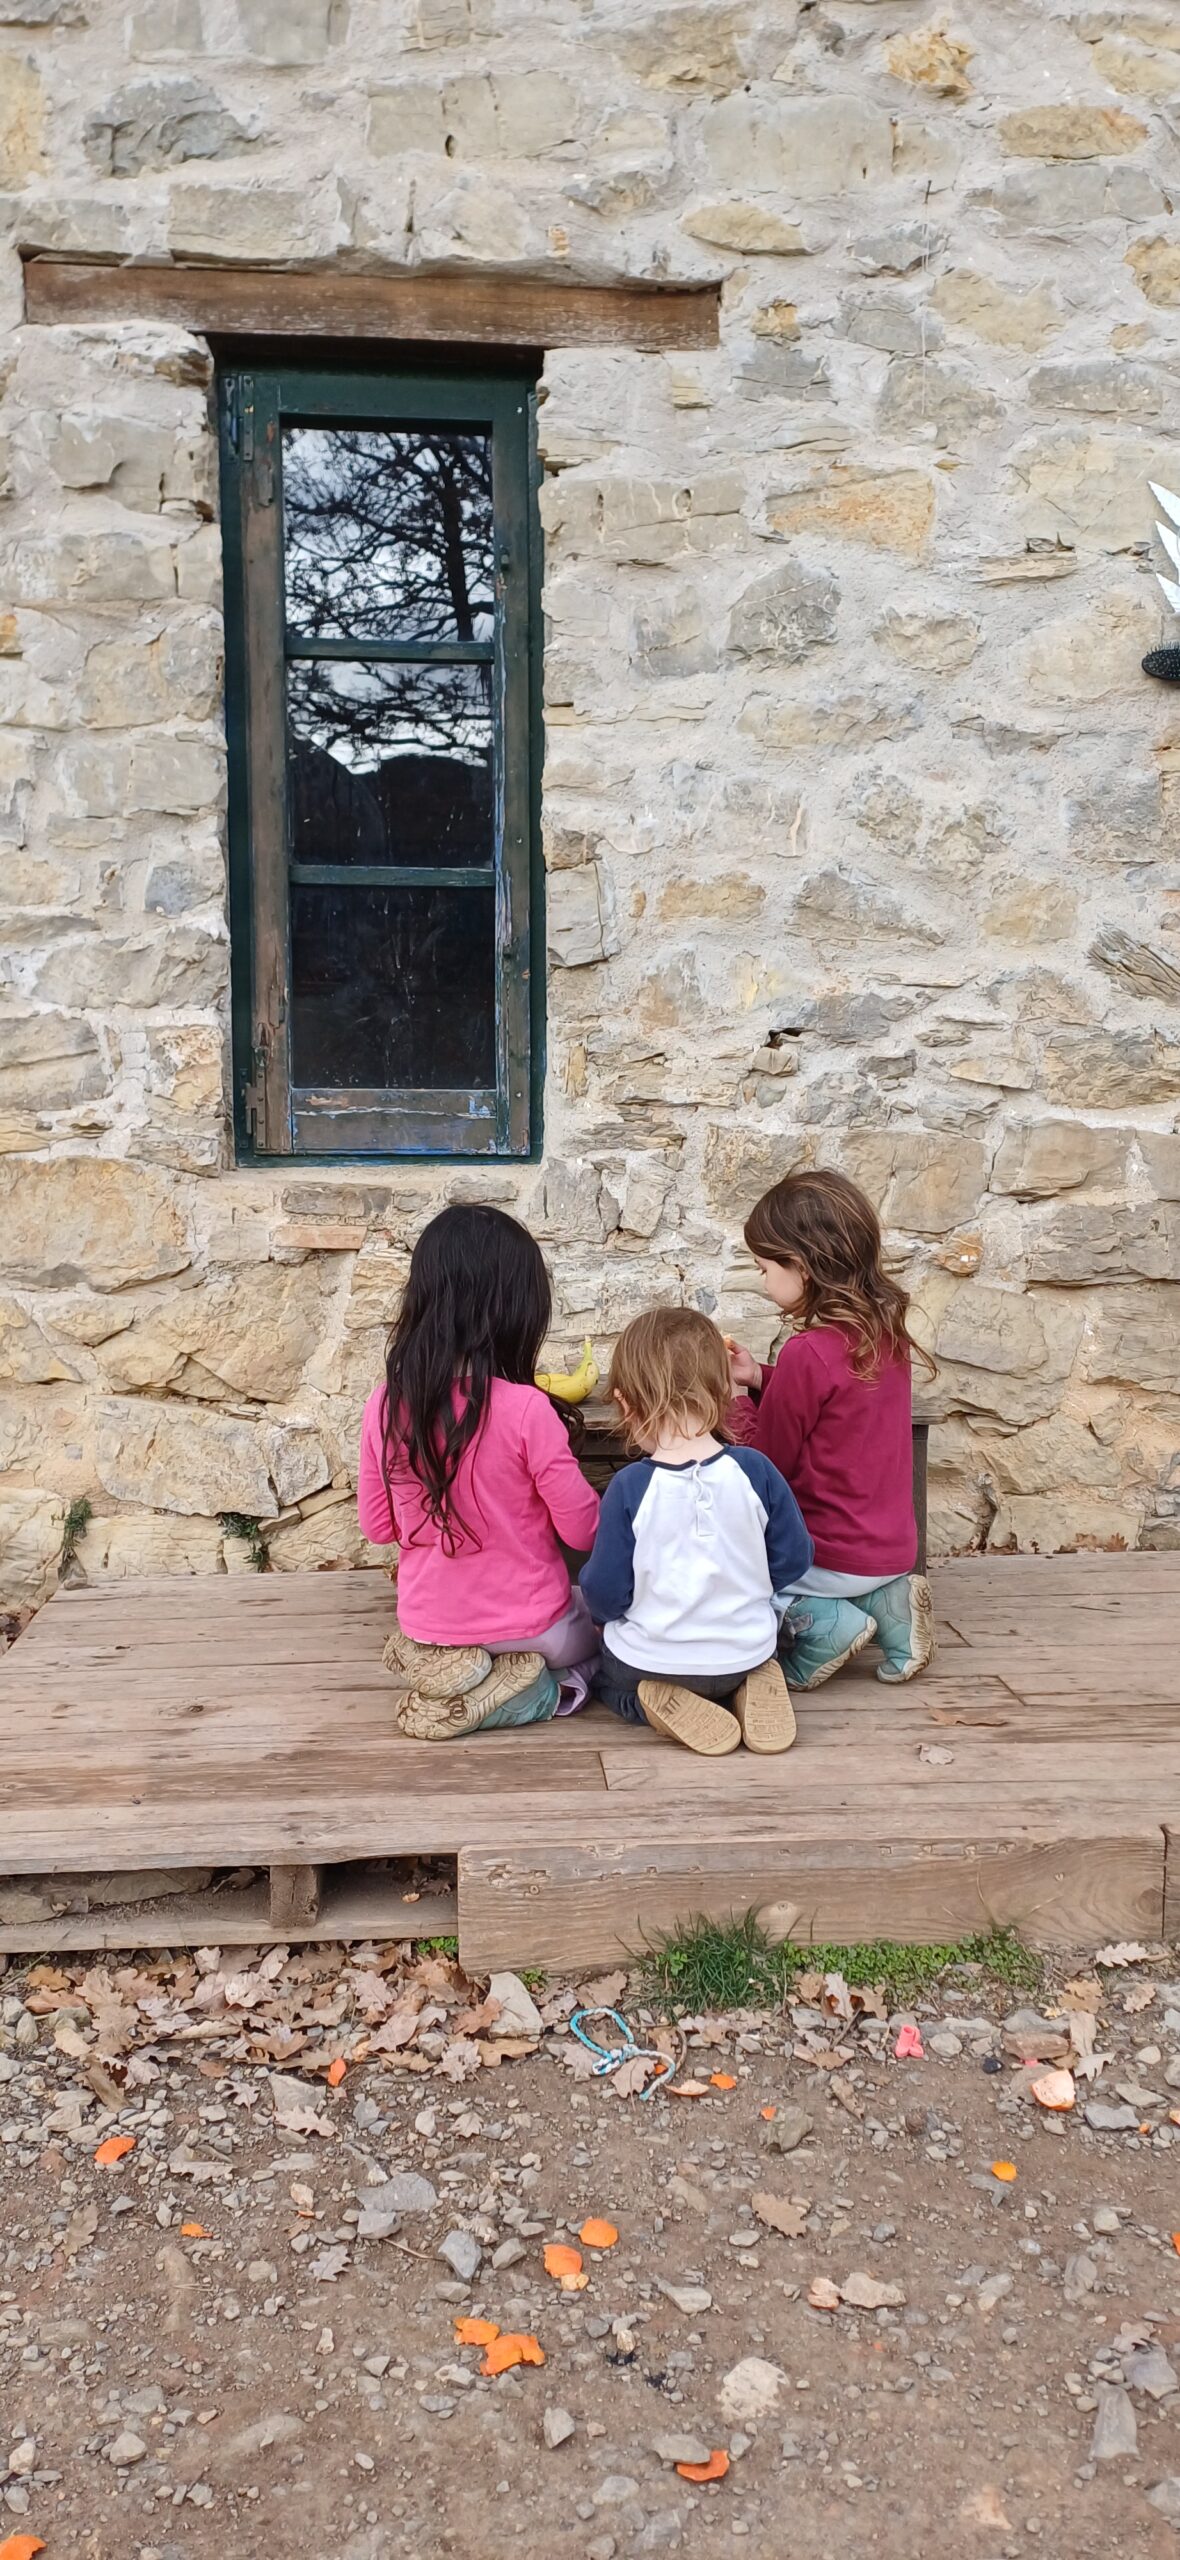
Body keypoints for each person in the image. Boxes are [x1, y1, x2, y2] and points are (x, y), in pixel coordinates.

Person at [357, 1204, 601, 1739]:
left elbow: (377, 1527)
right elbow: (583, 1531)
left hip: (430, 1622)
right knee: (602, 1636)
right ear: (516, 1308)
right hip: (532, 1626)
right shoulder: (527, 1409)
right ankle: (541, 1692)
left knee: (457, 1631)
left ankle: (442, 1662)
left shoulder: (384, 1404)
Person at [727, 1166, 937, 1690]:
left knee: (736, 1574)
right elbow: (839, 1402)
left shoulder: (806, 1353)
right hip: (893, 1551)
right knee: (866, 1578)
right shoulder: (887, 1337)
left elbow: (767, 1464)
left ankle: (822, 1624)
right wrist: (759, 1377)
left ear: (799, 1266)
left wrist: (731, 1403)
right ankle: (889, 1605)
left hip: (828, 1554)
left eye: (764, 1268)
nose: (763, 1281)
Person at [579, 1307, 812, 1757]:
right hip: (744, 1651)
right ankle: (747, 1685)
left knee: (607, 1680)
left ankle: (648, 1704)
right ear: (726, 1390)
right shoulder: (756, 1470)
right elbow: (795, 1558)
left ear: (626, 1404)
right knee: (769, 1633)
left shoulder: (630, 1487)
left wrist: (602, 1616)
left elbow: (606, 1591)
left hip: (651, 1662)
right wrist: (750, 1586)